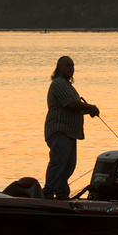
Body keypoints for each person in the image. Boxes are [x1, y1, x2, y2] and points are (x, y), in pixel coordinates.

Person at [43, 55, 99, 200]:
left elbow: (74, 107)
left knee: (68, 165)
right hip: (59, 131)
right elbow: (71, 105)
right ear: (58, 68)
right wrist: (90, 107)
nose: (71, 68)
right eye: (67, 65)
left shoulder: (68, 86)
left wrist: (88, 110)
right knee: (59, 161)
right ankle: (48, 192)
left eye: (72, 65)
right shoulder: (59, 84)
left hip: (69, 133)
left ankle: (62, 194)